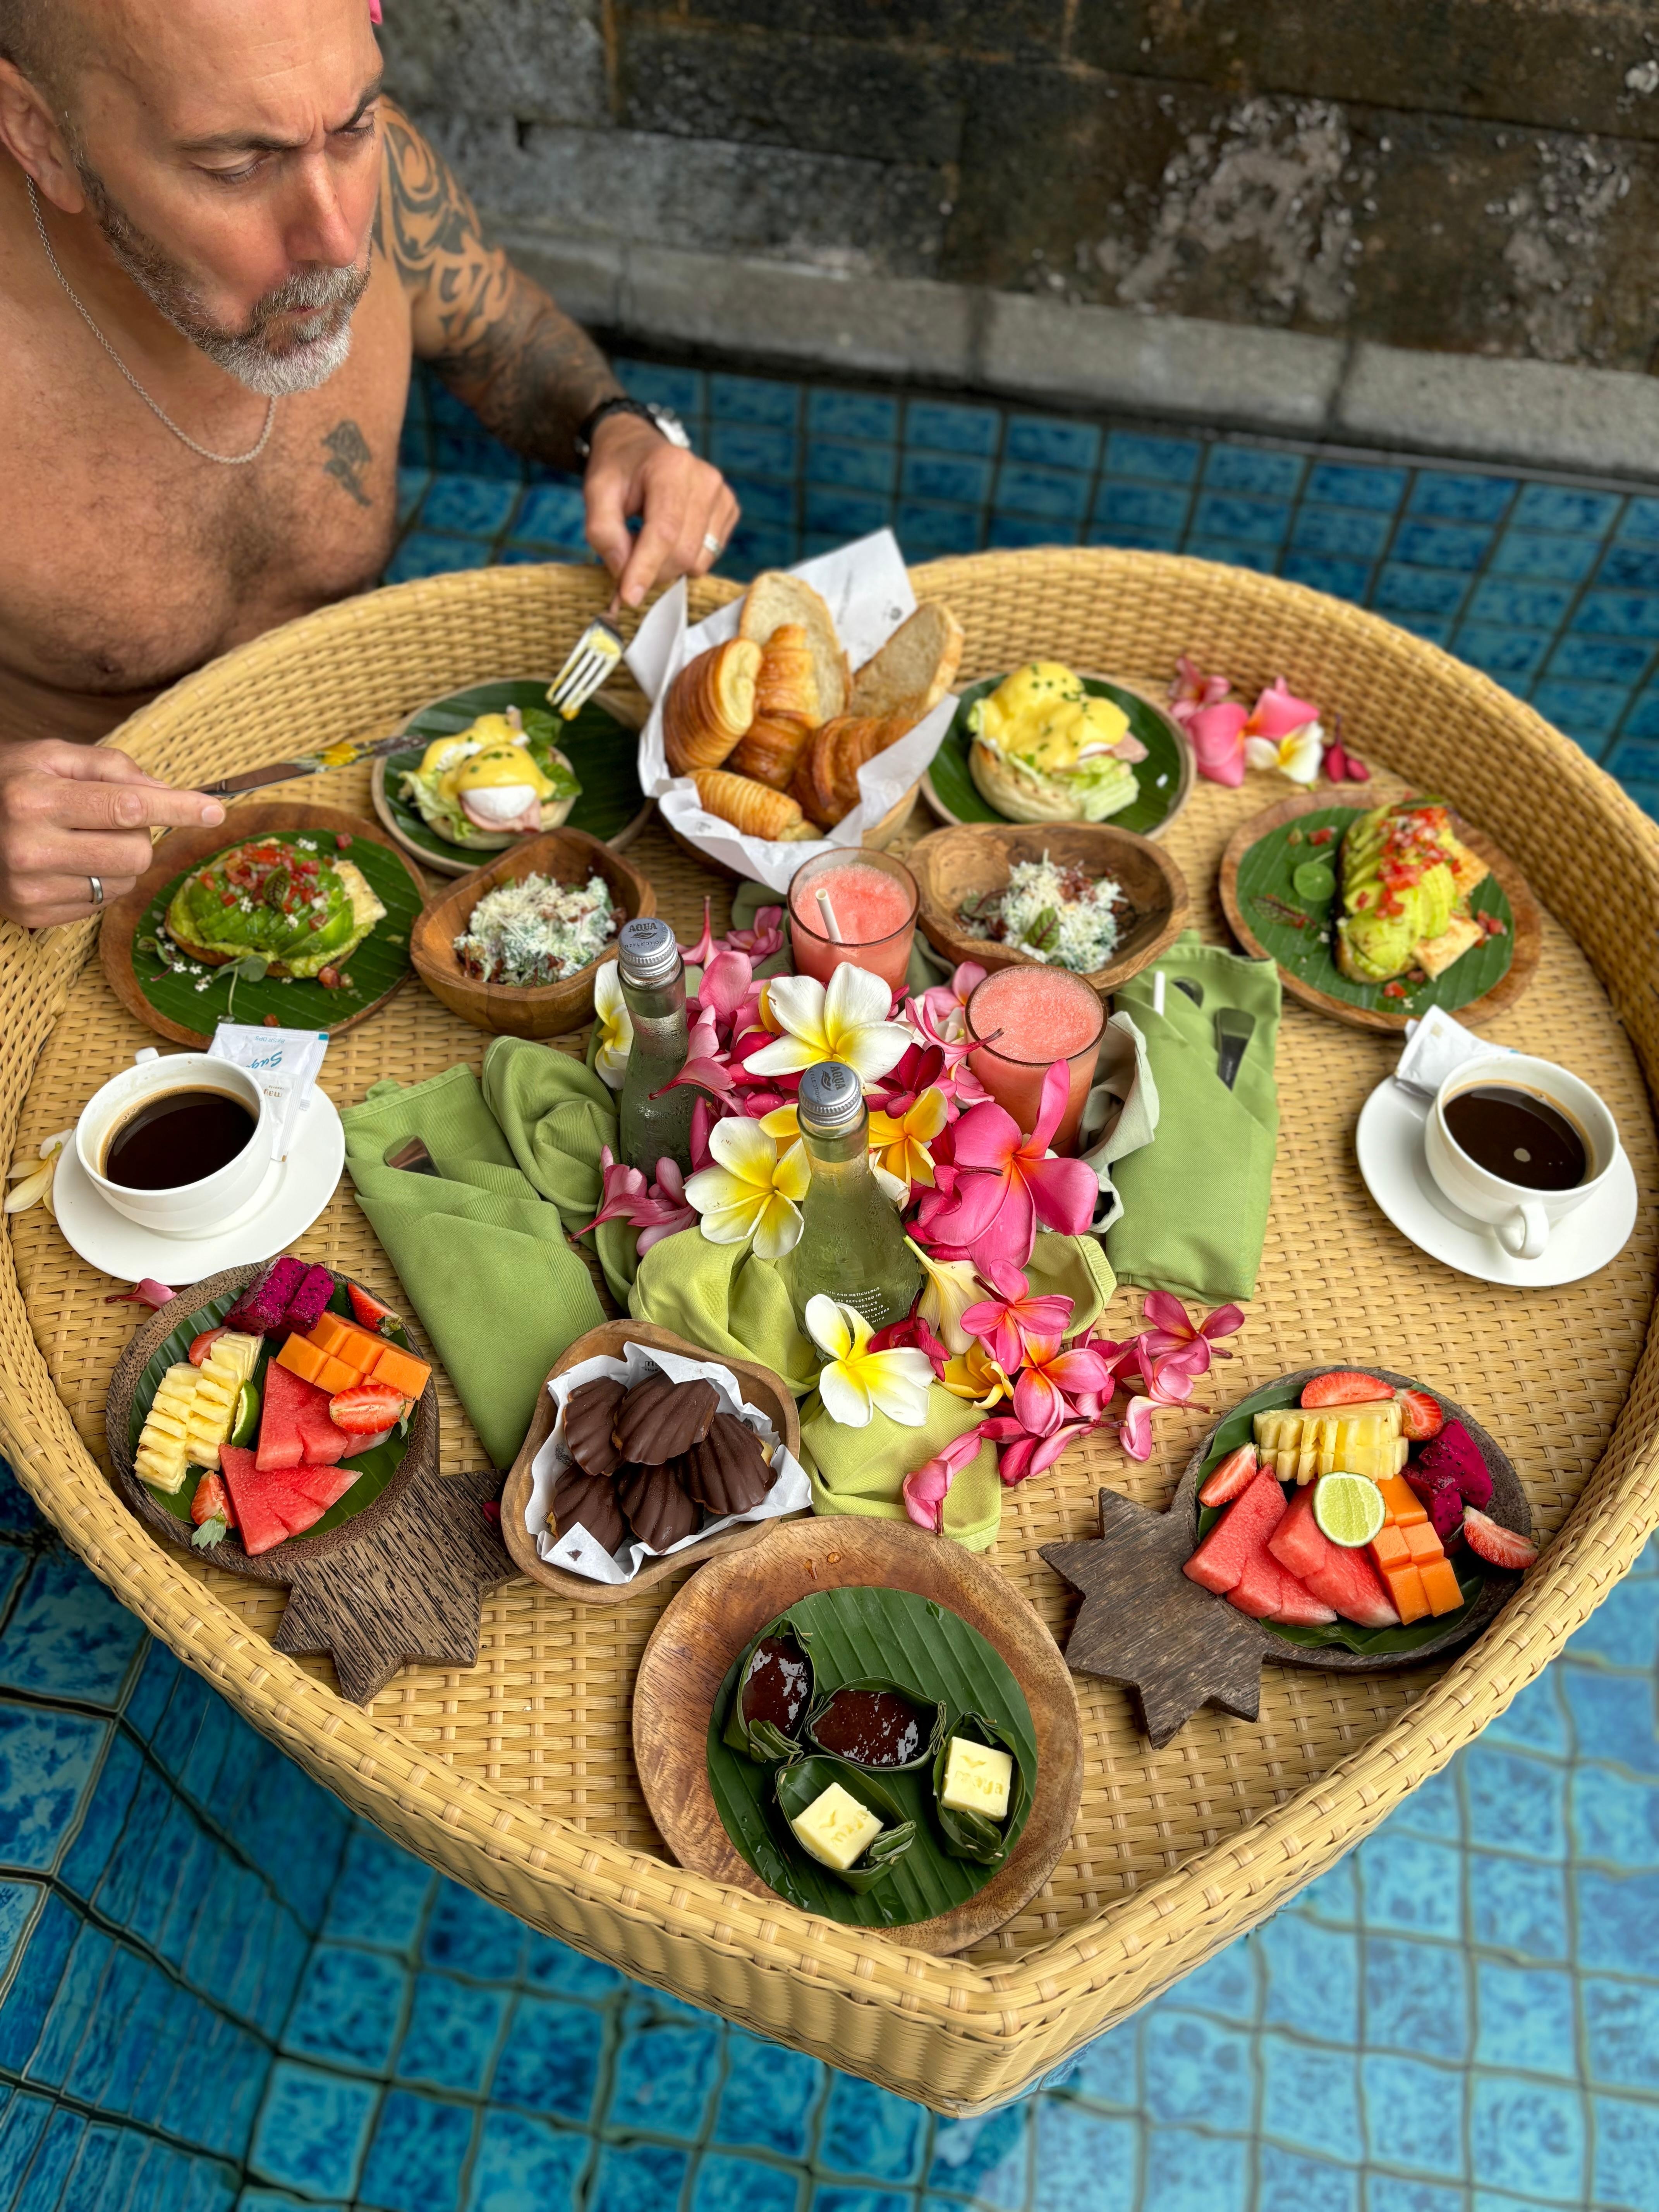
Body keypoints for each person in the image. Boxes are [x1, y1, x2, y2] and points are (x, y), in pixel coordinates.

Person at [0, 0, 738, 928]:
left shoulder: (363, 171)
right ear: (41, 133)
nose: (343, 238)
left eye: (356, 126)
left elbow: (498, 327)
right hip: (94, 912)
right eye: (236, 166)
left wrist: (621, 427)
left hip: (392, 811)